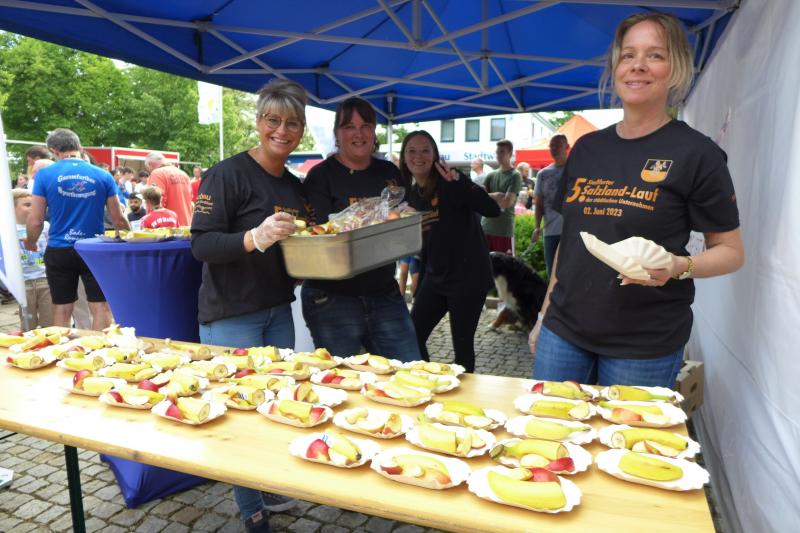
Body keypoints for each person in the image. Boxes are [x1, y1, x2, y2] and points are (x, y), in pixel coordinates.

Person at [530, 12, 744, 388]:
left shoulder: (697, 153)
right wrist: (544, 314)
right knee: (550, 424)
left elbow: (730, 251)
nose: (638, 65)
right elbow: (570, 243)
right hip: (563, 333)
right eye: (628, 55)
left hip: (644, 344)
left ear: (675, 69)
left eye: (654, 55)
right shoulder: (587, 148)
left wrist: (677, 266)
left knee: (628, 430)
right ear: (616, 67)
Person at [191, 78, 307, 533]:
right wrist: (253, 237)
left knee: (275, 403)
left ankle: (265, 486)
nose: (282, 130)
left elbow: (298, 246)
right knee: (239, 412)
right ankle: (252, 512)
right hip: (231, 313)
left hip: (278, 308)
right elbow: (201, 245)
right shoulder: (227, 174)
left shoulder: (295, 186)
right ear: (259, 122)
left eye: (292, 123)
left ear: (301, 130)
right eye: (273, 120)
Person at [302, 97, 421, 362]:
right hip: (333, 298)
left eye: (366, 126)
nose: (359, 133)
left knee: (408, 368)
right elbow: (323, 236)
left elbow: (401, 224)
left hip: (384, 291)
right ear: (337, 133)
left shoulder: (389, 172)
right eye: (349, 127)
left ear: (374, 131)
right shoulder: (320, 176)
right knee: (342, 377)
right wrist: (379, 220)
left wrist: (406, 218)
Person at [401, 131, 500, 372]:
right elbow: (426, 242)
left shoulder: (451, 181)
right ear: (404, 157)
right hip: (436, 277)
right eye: (411, 151)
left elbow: (492, 209)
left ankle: (461, 393)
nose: (418, 156)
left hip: (468, 278)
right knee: (412, 336)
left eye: (425, 150)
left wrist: (462, 184)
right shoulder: (412, 195)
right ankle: (429, 381)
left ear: (435, 154)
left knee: (462, 349)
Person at [25, 128, 130, 330]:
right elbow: (118, 219)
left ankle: (63, 348)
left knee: (62, 309)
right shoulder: (103, 175)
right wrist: (129, 239)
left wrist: (31, 242)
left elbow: (36, 220)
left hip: (59, 249)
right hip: (94, 248)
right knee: (100, 307)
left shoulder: (45, 175)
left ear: (54, 150)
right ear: (79, 147)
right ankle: (101, 348)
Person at [13, 189, 53, 329]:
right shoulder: (8, 229)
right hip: (23, 282)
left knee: (50, 321)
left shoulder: (45, 226)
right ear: (13, 208)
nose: (32, 208)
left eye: (34, 205)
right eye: (27, 205)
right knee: (27, 324)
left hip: (45, 279)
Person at [532, 134, 569, 277]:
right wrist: (537, 227)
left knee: (570, 273)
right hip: (550, 232)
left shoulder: (577, 170)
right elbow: (539, 204)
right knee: (552, 273)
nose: (554, 148)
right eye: (551, 145)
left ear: (567, 147)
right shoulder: (543, 174)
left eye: (557, 144)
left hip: (571, 231)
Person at [481, 139, 522, 254]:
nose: (498, 155)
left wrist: (488, 198)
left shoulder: (515, 175)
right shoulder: (491, 175)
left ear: (510, 154)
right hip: (486, 227)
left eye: (502, 152)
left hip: (503, 230)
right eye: (497, 152)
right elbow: (480, 198)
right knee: (485, 263)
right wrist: (496, 195)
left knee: (505, 264)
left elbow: (507, 202)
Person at [145, 152, 193, 226]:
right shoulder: (184, 174)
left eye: (148, 169)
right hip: (186, 225)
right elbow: (191, 200)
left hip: (169, 227)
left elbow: (155, 202)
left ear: (150, 165)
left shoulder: (157, 173)